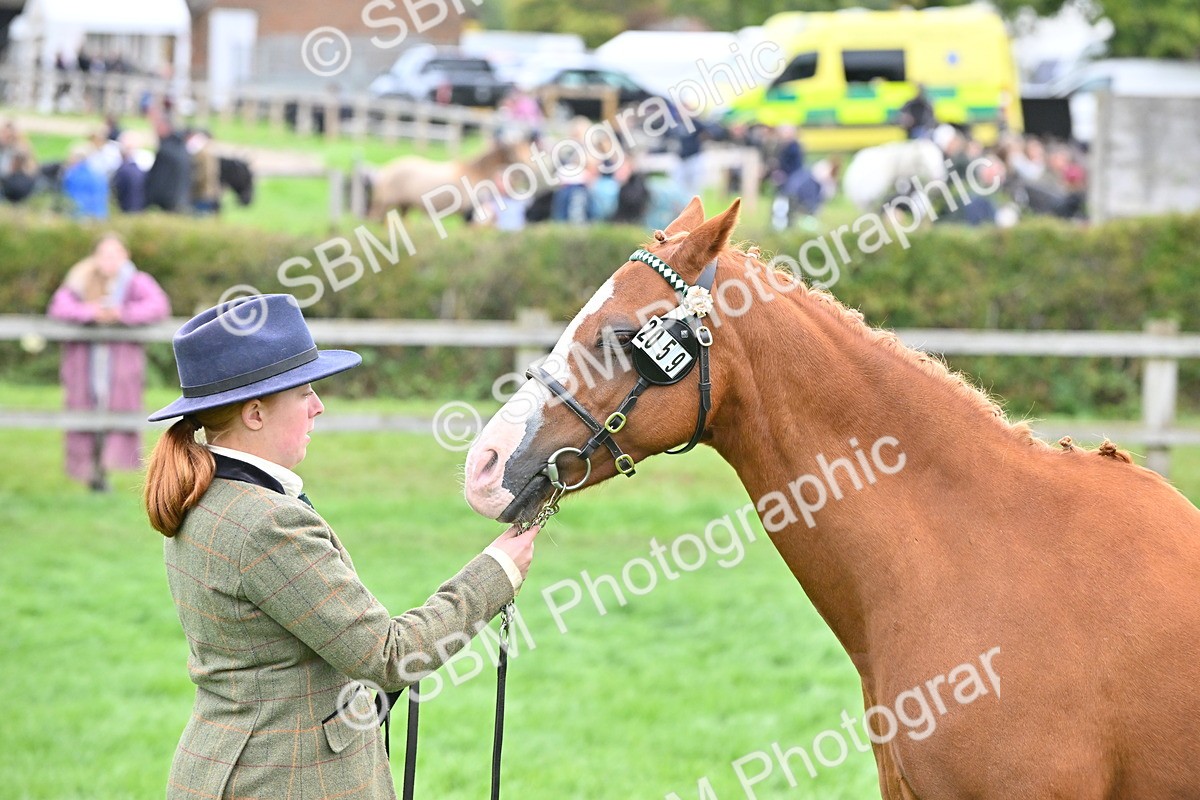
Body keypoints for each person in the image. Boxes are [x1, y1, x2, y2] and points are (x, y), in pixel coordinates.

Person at [143, 294, 540, 800]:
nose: (318, 406)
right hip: (283, 780)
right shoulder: (266, 522)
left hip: (226, 763)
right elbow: (391, 654)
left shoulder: (210, 493)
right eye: (304, 391)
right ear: (256, 413)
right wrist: (496, 572)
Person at [47, 234, 171, 490]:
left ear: (125, 255)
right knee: (84, 410)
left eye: (115, 254)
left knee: (116, 411)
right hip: (85, 363)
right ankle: (91, 472)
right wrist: (92, 313)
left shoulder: (137, 282)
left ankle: (106, 471)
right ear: (95, 257)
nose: (109, 260)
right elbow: (59, 307)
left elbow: (158, 306)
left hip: (121, 366)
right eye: (104, 254)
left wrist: (122, 314)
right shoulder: (80, 279)